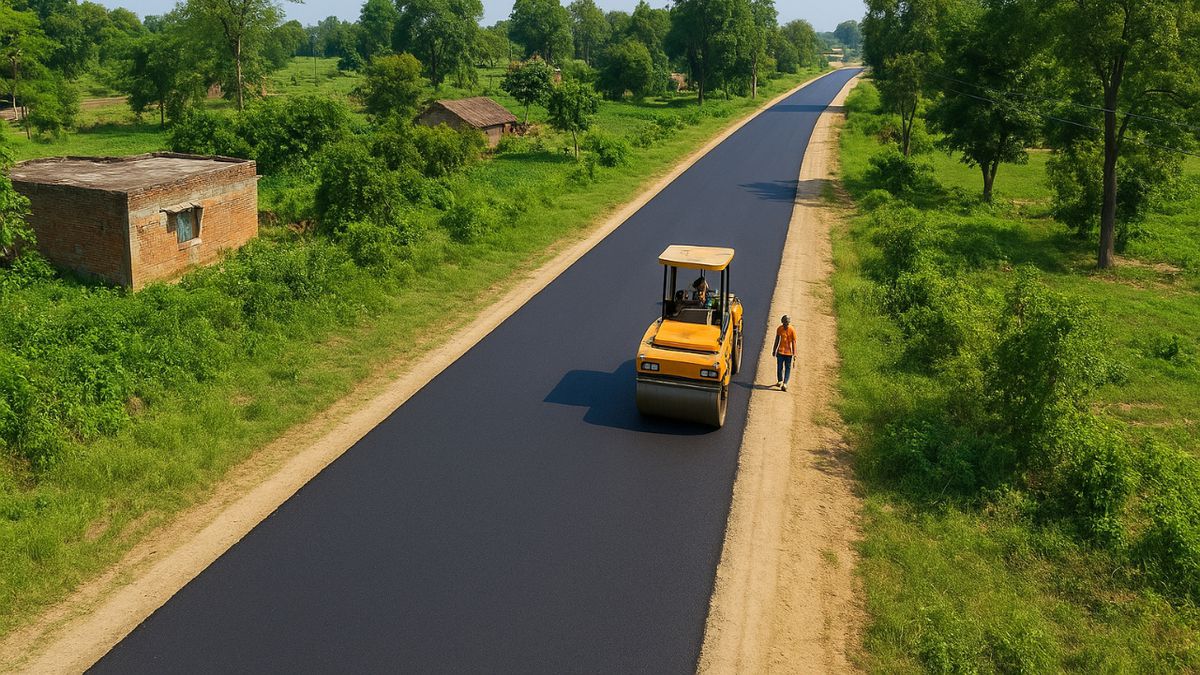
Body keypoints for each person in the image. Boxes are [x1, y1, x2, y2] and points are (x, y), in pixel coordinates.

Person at [772, 314, 797, 391]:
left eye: (787, 323)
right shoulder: (779, 329)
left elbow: (794, 342)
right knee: (779, 367)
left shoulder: (792, 330)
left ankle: (785, 383)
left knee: (787, 368)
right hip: (780, 352)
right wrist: (774, 349)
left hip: (788, 353)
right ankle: (780, 381)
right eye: (784, 323)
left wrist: (794, 354)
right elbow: (777, 340)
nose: (786, 324)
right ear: (782, 322)